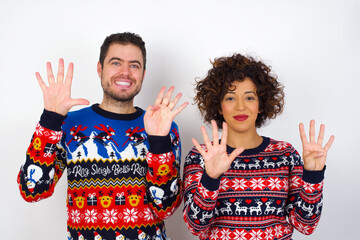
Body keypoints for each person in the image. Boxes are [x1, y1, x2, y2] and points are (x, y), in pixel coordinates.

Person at [18, 32, 188, 240]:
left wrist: (159, 141)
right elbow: (32, 190)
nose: (125, 72)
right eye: (116, 63)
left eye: (134, 65)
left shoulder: (164, 128)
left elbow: (166, 208)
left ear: (143, 73)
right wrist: (51, 119)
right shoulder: (68, 124)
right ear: (100, 69)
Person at [183, 53, 334, 240]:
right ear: (219, 106)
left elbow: (305, 225)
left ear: (261, 104)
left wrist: (313, 175)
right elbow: (195, 227)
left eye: (249, 98)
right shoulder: (201, 156)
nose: (240, 107)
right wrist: (211, 178)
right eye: (230, 98)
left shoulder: (285, 155)